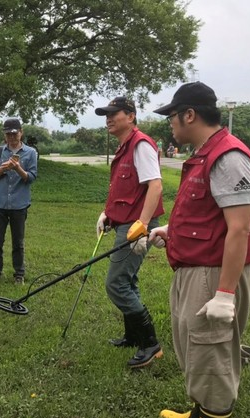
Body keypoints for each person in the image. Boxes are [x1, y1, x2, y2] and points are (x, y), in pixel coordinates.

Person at [150, 82, 250, 418]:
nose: (170, 123)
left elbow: (239, 229)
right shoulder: (204, 153)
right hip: (196, 267)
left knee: (211, 353)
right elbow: (210, 214)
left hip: (215, 273)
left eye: (172, 116)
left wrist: (225, 294)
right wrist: (173, 229)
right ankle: (200, 414)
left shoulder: (228, 157)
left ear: (189, 114)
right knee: (196, 348)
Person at [94, 96, 164, 368]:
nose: (109, 118)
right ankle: (133, 335)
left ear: (131, 116)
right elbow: (125, 190)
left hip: (136, 225)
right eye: (106, 114)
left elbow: (155, 186)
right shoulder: (125, 146)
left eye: (114, 113)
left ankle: (150, 343)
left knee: (116, 283)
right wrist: (108, 214)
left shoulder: (141, 145)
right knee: (128, 279)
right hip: (125, 222)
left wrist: (143, 225)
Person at [0, 118, 38, 285]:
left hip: (19, 204)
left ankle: (19, 275)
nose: (11, 137)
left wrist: (18, 168)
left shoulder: (30, 153)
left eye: (14, 133)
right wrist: (1, 169)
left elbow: (31, 177)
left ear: (21, 132)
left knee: (18, 242)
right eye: (8, 134)